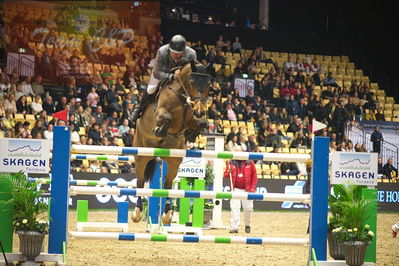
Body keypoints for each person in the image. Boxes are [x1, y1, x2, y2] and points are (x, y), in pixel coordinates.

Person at [129, 35, 197, 125]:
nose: (176, 55)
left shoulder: (191, 54)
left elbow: (194, 71)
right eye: (173, 52)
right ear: (169, 49)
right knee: (151, 88)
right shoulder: (162, 51)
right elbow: (156, 72)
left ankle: (196, 115)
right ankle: (138, 108)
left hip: (181, 78)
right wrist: (171, 77)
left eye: (178, 53)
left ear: (184, 51)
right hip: (162, 74)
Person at [224, 146, 258, 233]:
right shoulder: (230, 162)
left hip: (247, 189)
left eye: (239, 152)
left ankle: (247, 224)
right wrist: (229, 172)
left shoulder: (250, 162)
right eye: (236, 152)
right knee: (235, 207)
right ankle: (234, 227)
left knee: (248, 208)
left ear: (243, 152)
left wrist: (253, 188)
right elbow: (226, 175)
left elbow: (254, 176)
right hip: (235, 189)